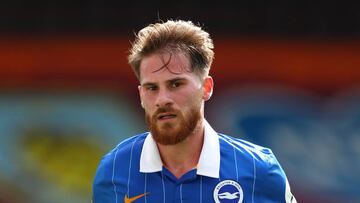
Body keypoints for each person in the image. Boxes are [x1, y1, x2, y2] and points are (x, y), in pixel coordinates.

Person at [92, 20, 297, 203]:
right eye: (152, 88)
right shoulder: (113, 171)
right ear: (141, 95)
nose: (163, 99)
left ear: (206, 88)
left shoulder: (259, 170)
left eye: (176, 84)